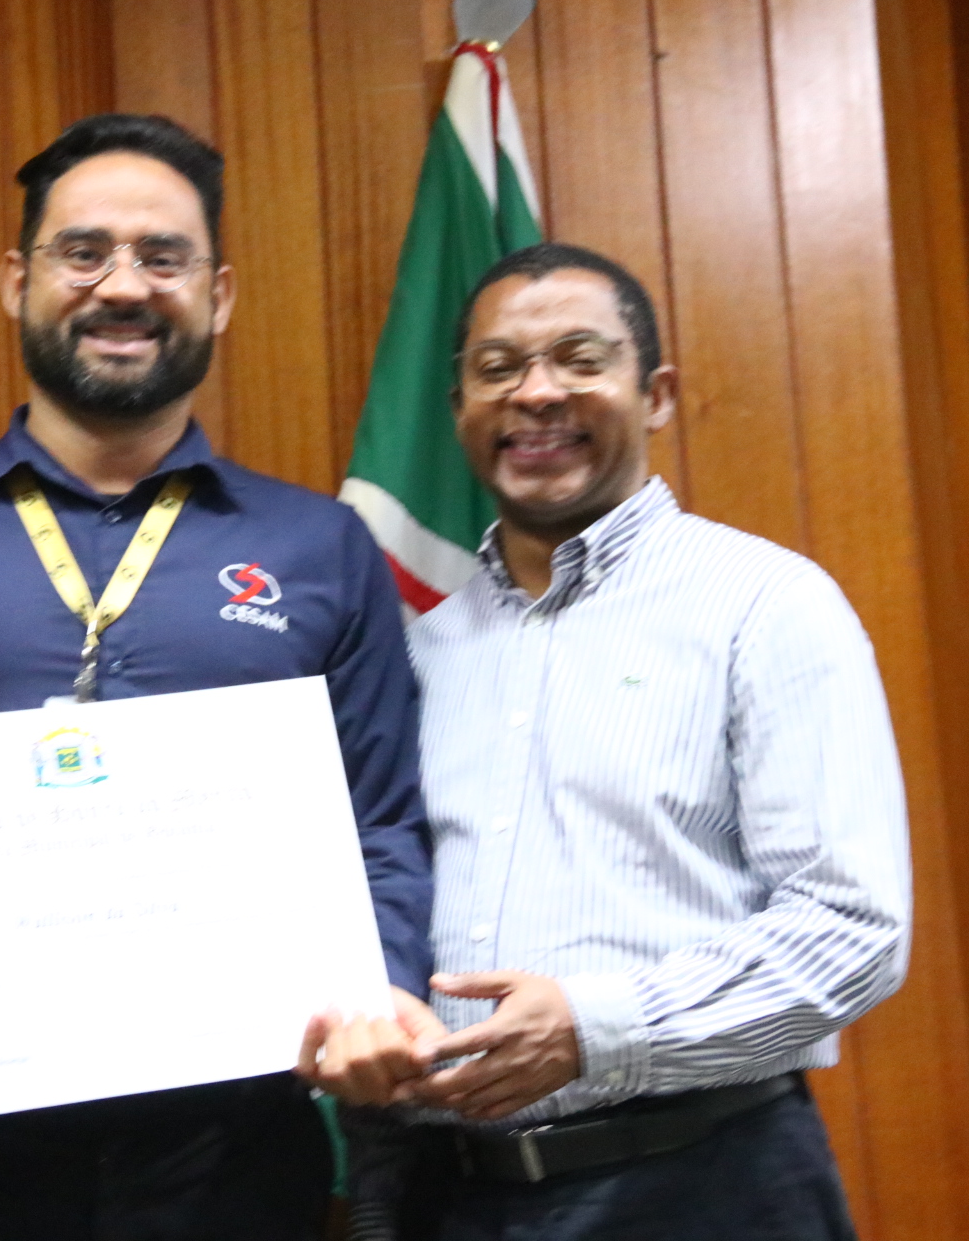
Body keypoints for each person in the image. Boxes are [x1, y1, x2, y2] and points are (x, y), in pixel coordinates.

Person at [0, 113, 438, 1240]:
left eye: (164, 257)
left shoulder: (319, 547)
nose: (124, 285)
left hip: (238, 1159)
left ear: (219, 295)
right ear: (18, 280)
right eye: (84, 251)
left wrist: (382, 991)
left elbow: (381, 824)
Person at [306, 242, 911, 1239]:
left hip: (701, 1183)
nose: (537, 392)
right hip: (445, 1195)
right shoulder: (415, 655)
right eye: (498, 368)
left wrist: (596, 1031)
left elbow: (852, 931)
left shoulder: (765, 606)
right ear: (459, 408)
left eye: (580, 359)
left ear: (656, 393)